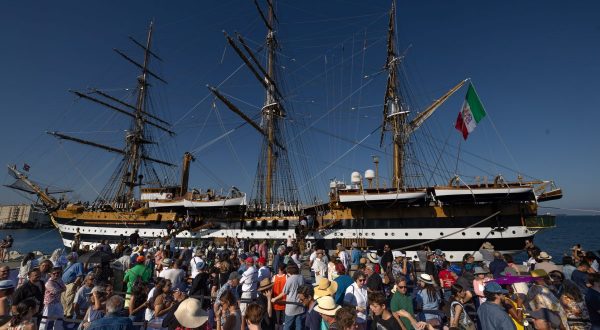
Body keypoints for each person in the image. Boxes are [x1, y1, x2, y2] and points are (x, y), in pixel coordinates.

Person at [271, 264, 303, 330]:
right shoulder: (301, 277)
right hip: (300, 304)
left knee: (287, 326)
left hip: (291, 306)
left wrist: (274, 299)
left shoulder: (290, 279)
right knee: (299, 325)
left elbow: (284, 292)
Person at [61, 252, 84, 318]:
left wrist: (74, 284)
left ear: (75, 258)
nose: (69, 258)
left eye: (71, 257)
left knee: (69, 299)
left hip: (70, 284)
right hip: (64, 284)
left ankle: (69, 314)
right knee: (63, 300)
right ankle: (65, 313)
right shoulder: (70, 264)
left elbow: (80, 275)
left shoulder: (78, 264)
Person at [271, 264, 287, 329]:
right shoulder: (286, 277)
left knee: (277, 321)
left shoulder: (274, 277)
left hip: (276, 301)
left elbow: (271, 288)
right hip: (284, 301)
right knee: (283, 321)